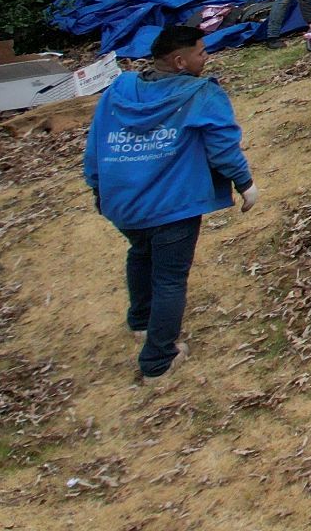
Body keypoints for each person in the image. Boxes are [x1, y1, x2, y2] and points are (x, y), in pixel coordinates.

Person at [81, 23, 255, 381]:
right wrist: (245, 183)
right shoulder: (200, 94)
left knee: (140, 253)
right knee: (170, 278)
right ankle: (158, 360)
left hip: (123, 204)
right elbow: (222, 147)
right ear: (179, 61)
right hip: (171, 206)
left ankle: (141, 322)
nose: (206, 58)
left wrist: (98, 188)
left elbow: (96, 142)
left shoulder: (119, 89)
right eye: (201, 53)